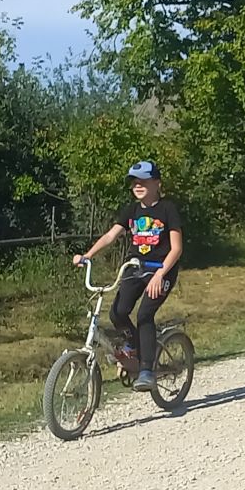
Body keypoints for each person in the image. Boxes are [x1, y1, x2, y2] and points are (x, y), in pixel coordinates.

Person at [73, 161, 185, 391]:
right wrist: (87, 255)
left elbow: (176, 248)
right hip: (135, 267)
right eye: (134, 181)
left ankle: (146, 370)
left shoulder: (167, 209)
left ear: (157, 183)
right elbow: (111, 236)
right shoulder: (132, 210)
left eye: (143, 181)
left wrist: (160, 274)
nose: (138, 185)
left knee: (144, 314)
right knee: (118, 313)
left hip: (161, 269)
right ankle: (135, 347)